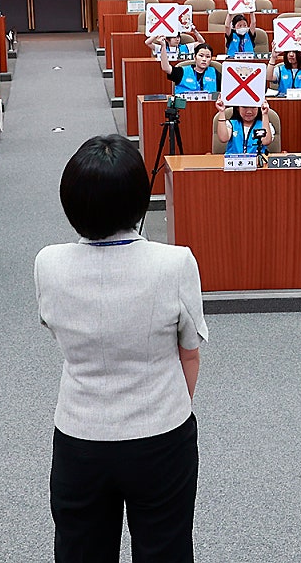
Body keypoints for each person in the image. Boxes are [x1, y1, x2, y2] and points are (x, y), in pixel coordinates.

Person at [35, 134, 204, 563]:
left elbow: (57, 332)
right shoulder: (176, 262)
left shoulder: (48, 263)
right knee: (165, 548)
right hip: (162, 433)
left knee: (81, 551)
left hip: (79, 435)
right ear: (140, 201)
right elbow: (189, 353)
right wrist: (166, 406)